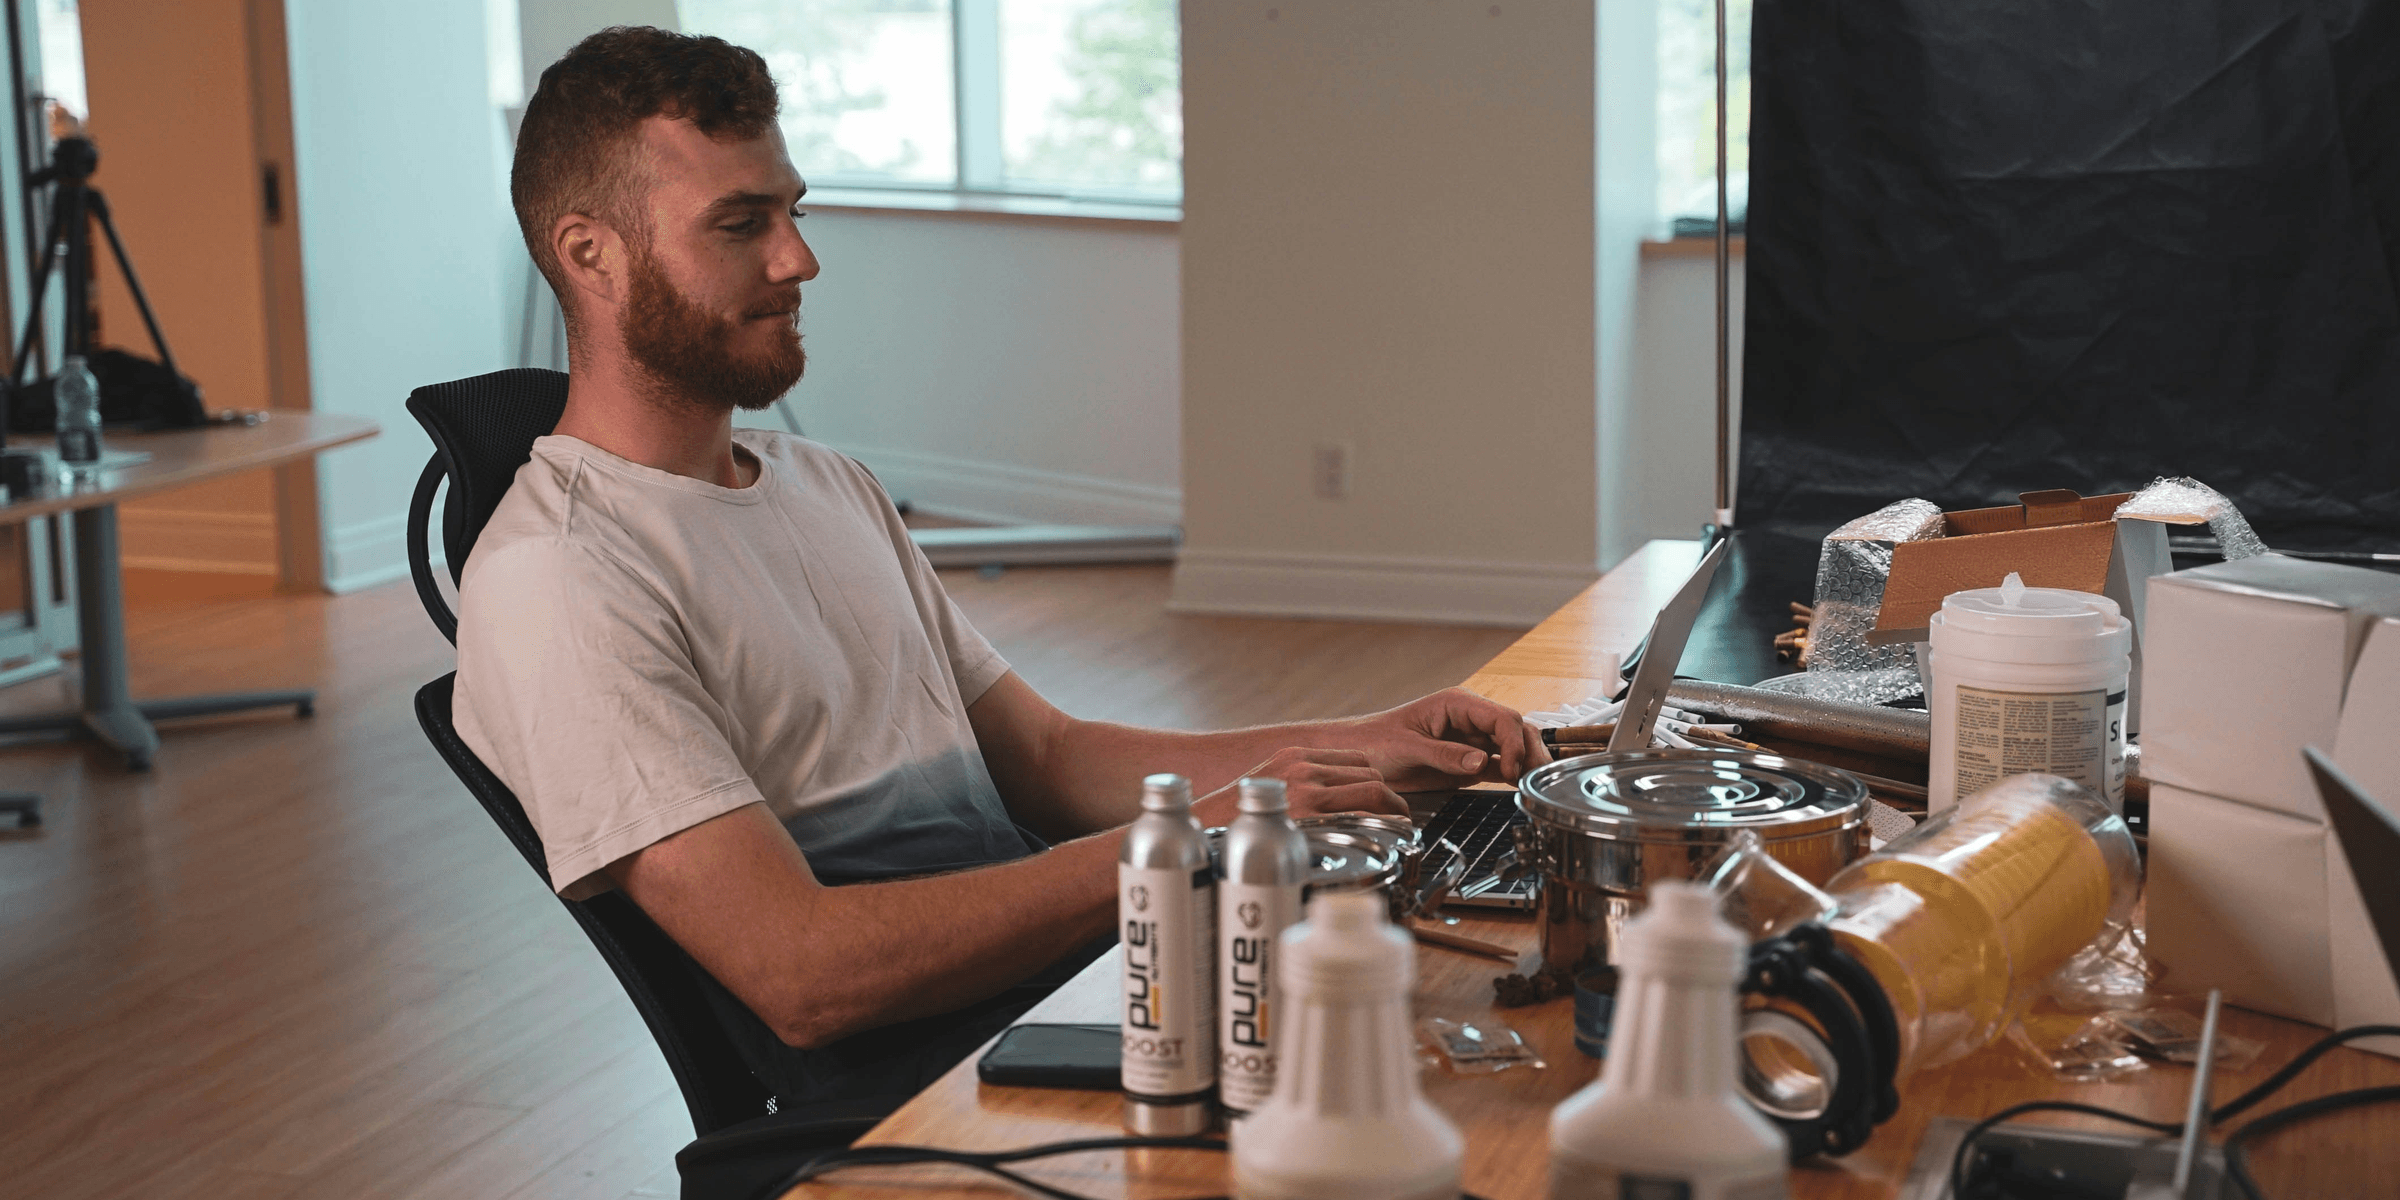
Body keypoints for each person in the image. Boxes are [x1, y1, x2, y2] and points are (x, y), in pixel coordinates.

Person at [455, 25, 1551, 1107]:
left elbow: (1050, 757)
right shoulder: (560, 577)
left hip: (1081, 981)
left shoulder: (823, 482)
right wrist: (1200, 837)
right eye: (741, 224)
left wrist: (1359, 743)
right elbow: (805, 975)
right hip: (947, 1083)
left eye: (794, 212)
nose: (799, 259)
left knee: (1516, 996)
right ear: (588, 253)